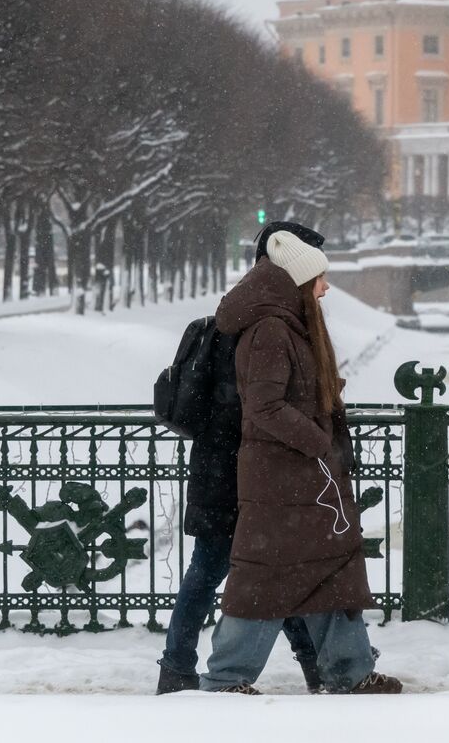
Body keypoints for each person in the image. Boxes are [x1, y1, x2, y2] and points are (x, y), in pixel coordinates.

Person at [201, 230, 399, 695]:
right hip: (283, 480)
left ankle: (349, 672)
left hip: (295, 478)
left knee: (328, 568)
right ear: (296, 284)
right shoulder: (272, 330)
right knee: (265, 579)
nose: (326, 288)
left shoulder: (284, 325)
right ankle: (226, 678)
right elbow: (265, 407)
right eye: (319, 279)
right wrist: (316, 440)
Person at [156, 222, 329, 694]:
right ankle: (310, 664)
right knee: (257, 569)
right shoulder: (259, 325)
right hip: (240, 471)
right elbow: (256, 408)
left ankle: (176, 669)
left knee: (226, 571)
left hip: (220, 467)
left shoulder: (235, 317)